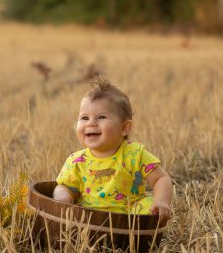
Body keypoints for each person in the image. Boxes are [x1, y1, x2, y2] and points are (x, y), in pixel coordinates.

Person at [53, 78, 173, 222]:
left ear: (124, 128)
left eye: (101, 117)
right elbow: (65, 186)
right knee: (70, 207)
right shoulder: (76, 161)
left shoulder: (134, 154)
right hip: (88, 216)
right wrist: (63, 197)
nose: (91, 123)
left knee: (148, 206)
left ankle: (136, 233)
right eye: (84, 118)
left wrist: (161, 201)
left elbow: (161, 178)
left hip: (130, 214)